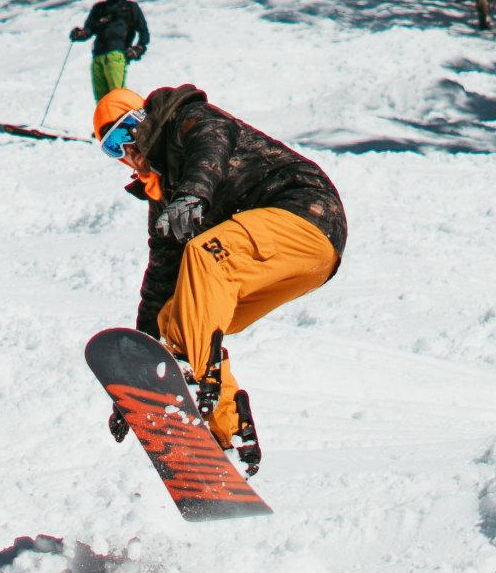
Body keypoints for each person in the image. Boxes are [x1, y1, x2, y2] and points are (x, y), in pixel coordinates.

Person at [92, 82, 346, 456]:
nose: (127, 151)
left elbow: (212, 142)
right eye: (113, 147)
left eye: (126, 132)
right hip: (300, 263)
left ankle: (198, 381)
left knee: (204, 255)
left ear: (144, 119)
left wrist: (195, 192)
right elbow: (160, 280)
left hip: (306, 213)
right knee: (175, 319)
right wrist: (137, 377)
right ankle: (227, 436)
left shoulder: (185, 118)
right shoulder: (164, 198)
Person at [70, 0, 150, 101]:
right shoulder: (99, 8)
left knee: (117, 97)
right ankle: (105, 121)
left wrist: (139, 48)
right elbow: (89, 29)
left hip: (116, 55)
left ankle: (122, 120)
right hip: (98, 57)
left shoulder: (129, 8)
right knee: (102, 101)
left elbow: (143, 31)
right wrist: (80, 34)